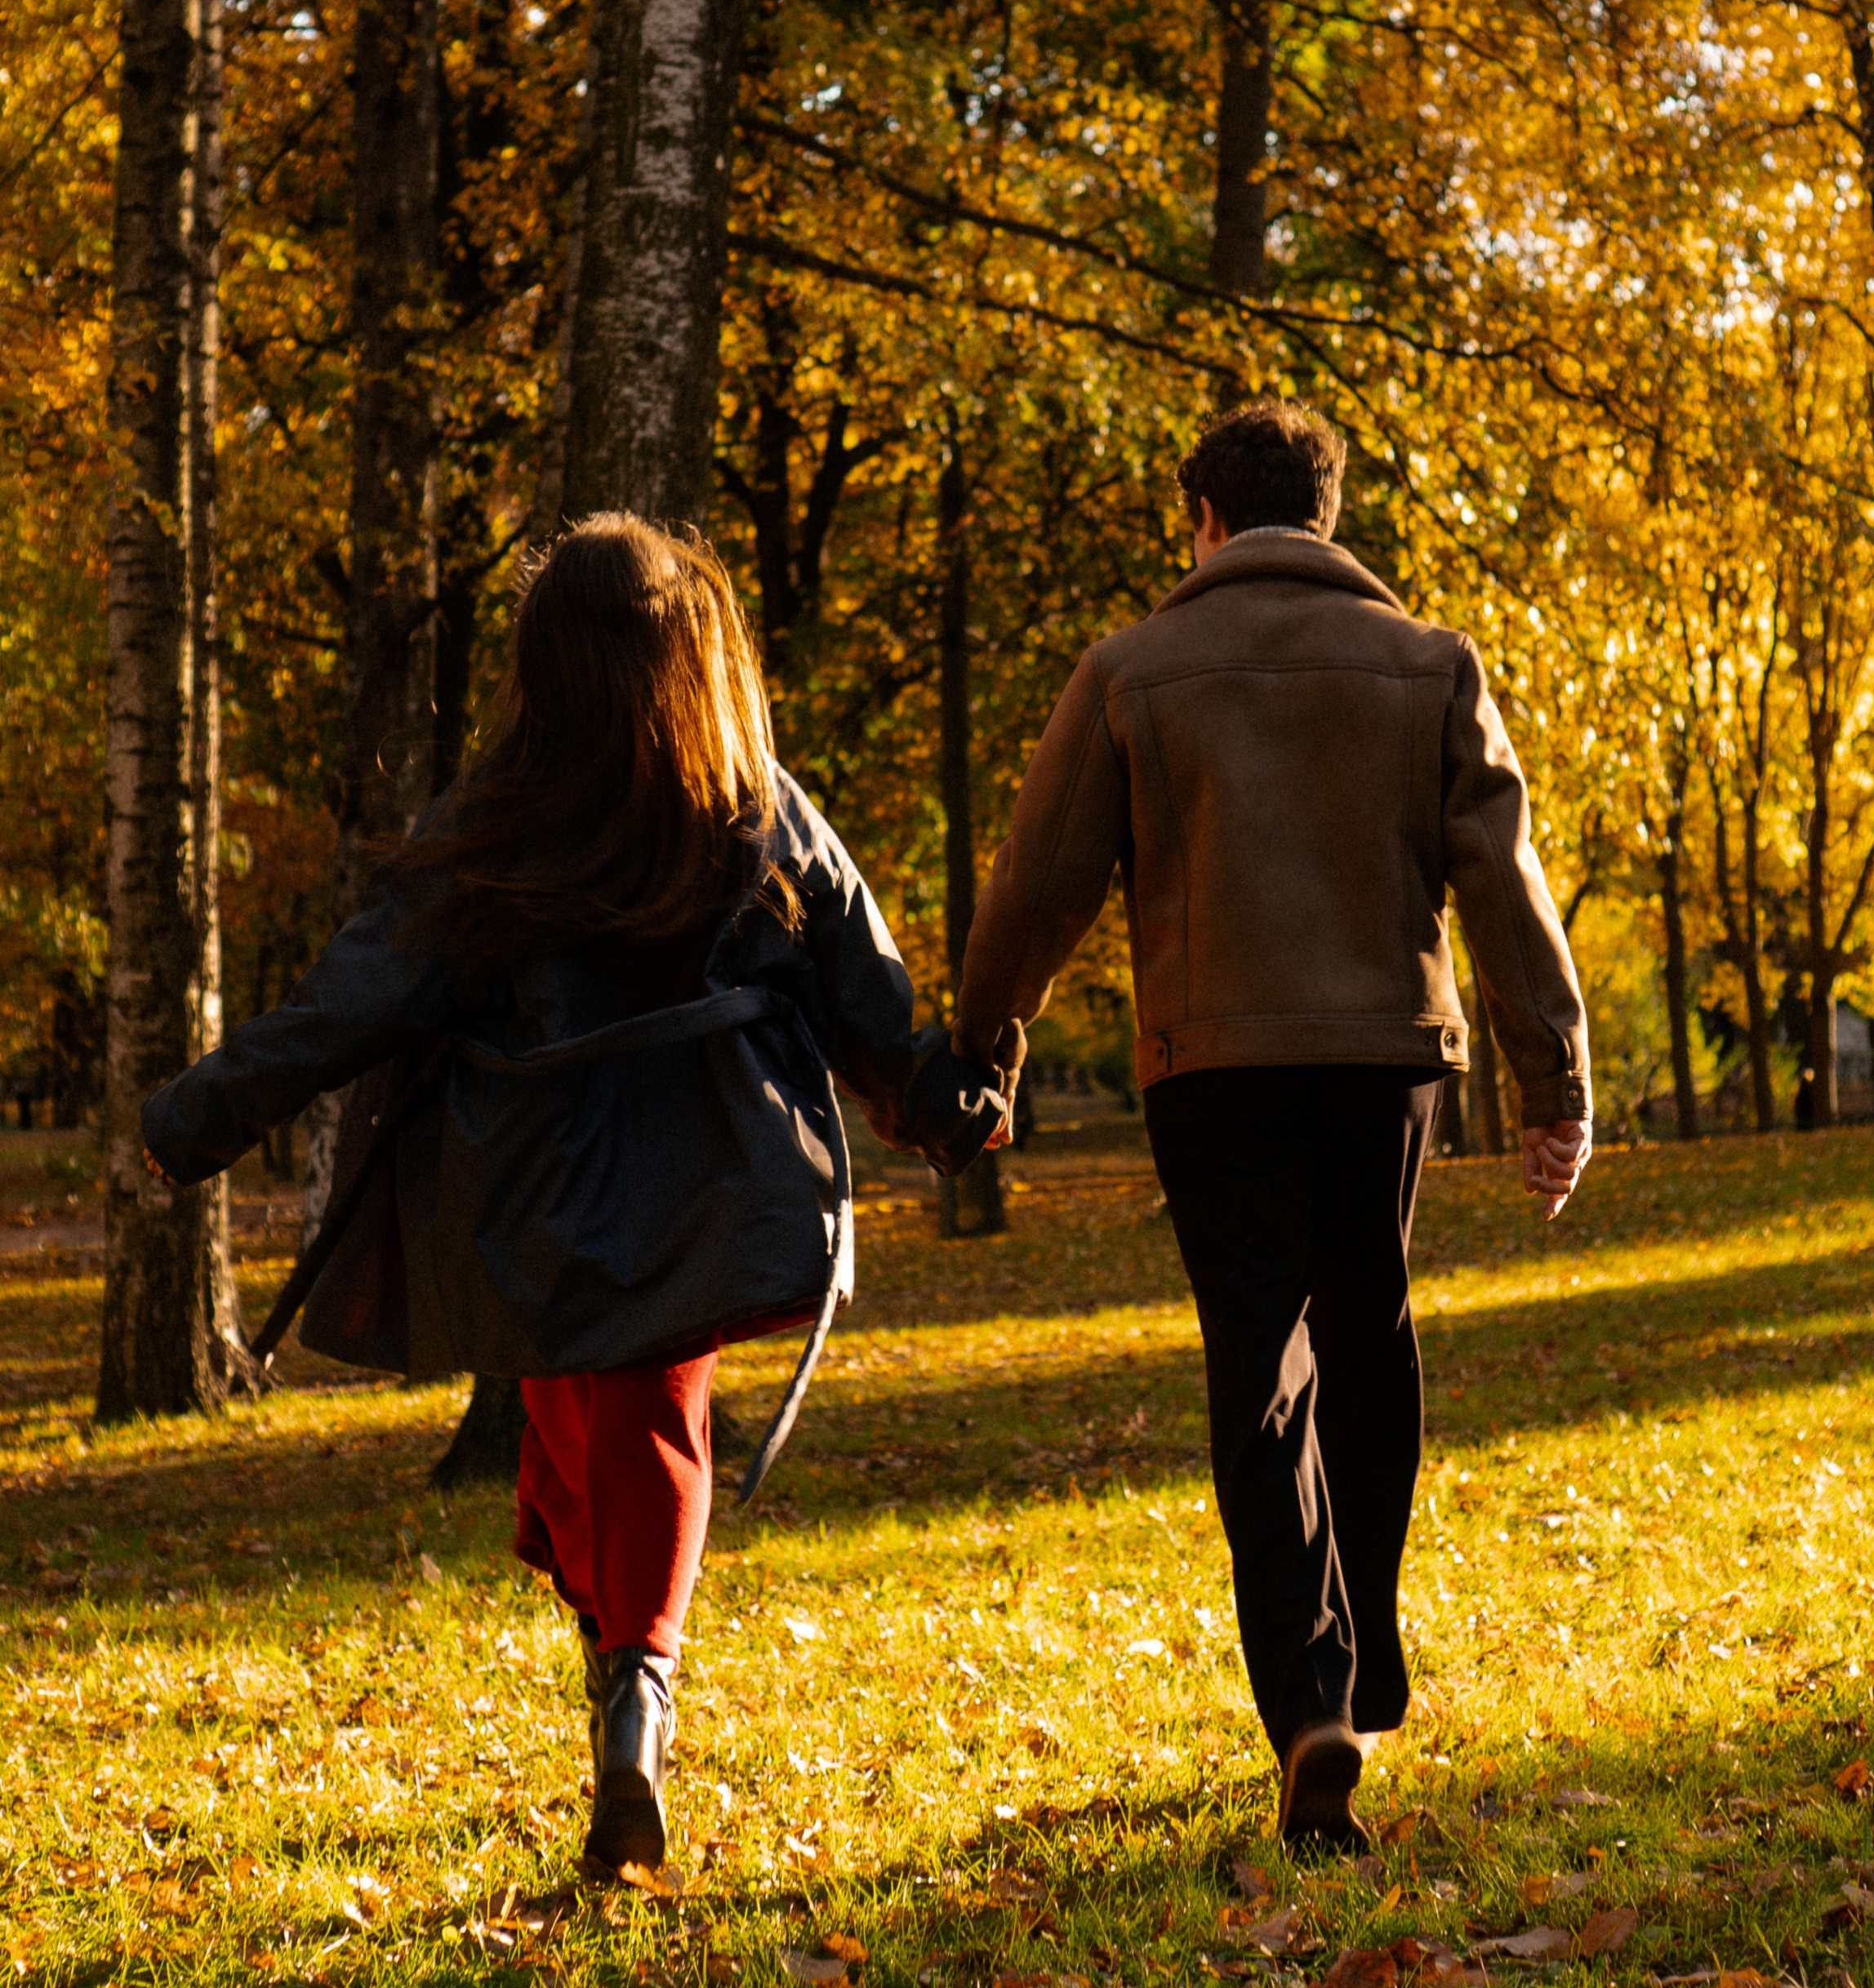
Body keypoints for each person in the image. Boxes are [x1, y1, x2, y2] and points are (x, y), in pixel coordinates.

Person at [144, 517, 1010, 1875]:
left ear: (545, 665)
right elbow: (869, 995)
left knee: (622, 1428)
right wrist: (946, 1106)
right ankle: (631, 1690)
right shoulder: (753, 804)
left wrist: (192, 1121)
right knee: (601, 1454)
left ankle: (632, 1693)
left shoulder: (495, 827)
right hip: (709, 1185)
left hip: (532, 1207)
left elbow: (348, 1002)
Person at [955, 401, 1591, 1853]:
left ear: (1205, 520)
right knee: (1369, 1327)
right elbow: (1504, 887)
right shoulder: (1431, 665)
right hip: (1388, 1063)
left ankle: (1310, 1701)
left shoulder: (1130, 672)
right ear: (1328, 515)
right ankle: (1366, 1660)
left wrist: (984, 1048)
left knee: (1262, 1363)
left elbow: (1038, 888)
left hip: (1212, 1067)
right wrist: (1552, 1086)